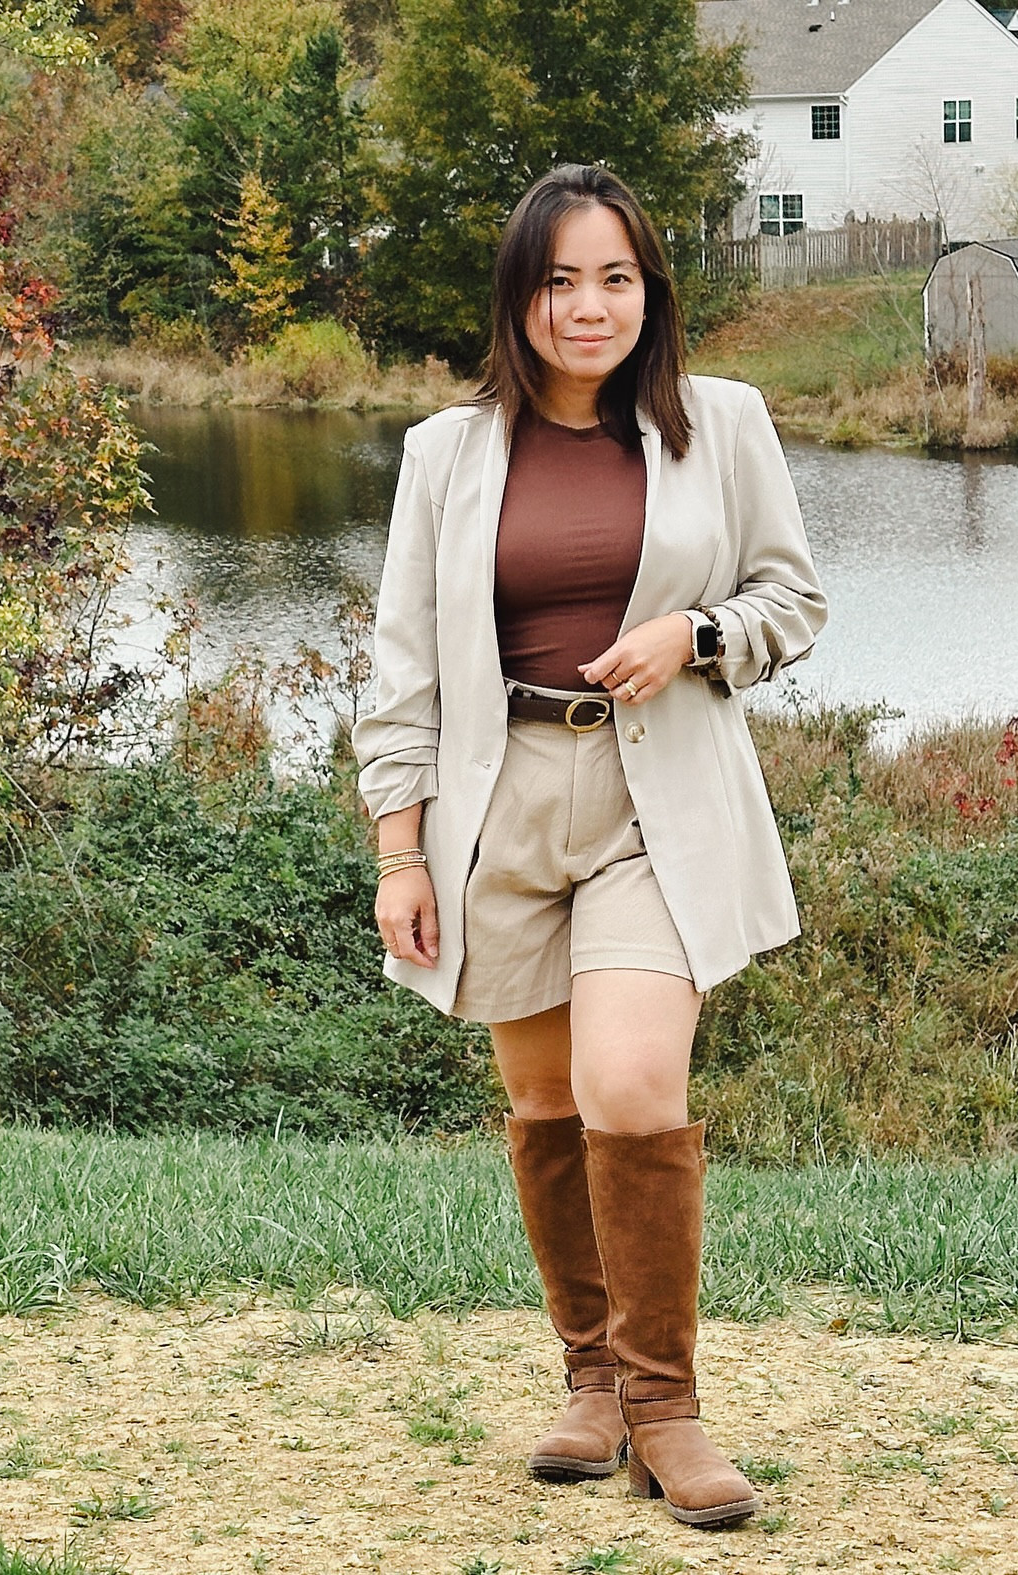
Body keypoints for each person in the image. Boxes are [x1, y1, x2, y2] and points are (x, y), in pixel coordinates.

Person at [352, 163, 826, 1531]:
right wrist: (400, 852)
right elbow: (402, 675)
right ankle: (590, 1385)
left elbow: (792, 596)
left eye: (614, 276)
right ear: (520, 296)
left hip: (653, 803)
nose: (587, 305)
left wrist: (699, 636)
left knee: (630, 1084)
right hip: (495, 806)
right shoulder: (447, 453)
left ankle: (667, 1410)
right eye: (559, 278)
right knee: (547, 1106)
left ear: (650, 291)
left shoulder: (720, 425)